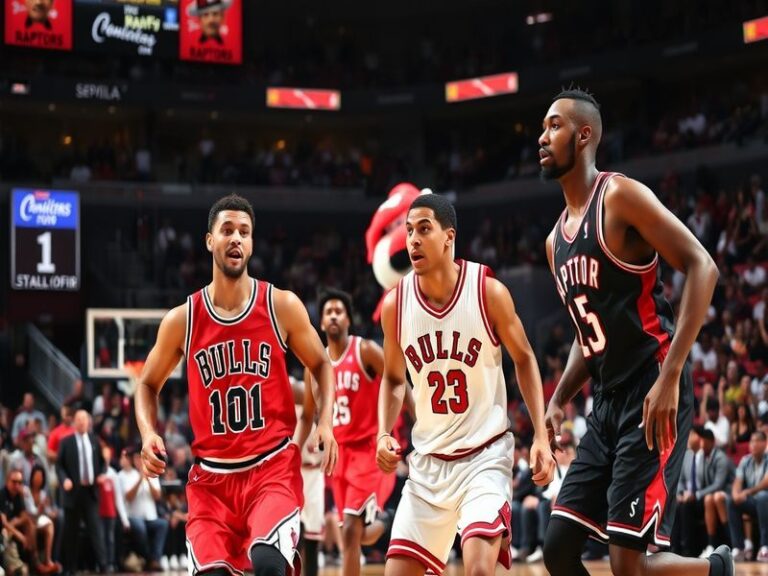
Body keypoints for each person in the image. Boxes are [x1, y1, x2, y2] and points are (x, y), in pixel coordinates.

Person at [538, 87, 730, 576]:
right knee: (557, 548)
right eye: (543, 127)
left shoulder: (619, 197)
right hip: (605, 402)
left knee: (628, 563)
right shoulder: (554, 242)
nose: (542, 136)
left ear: (584, 136)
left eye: (554, 126)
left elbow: (703, 266)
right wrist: (559, 398)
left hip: (652, 388)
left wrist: (671, 376)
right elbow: (588, 333)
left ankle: (716, 569)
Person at [134, 193, 338, 576]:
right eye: (227, 230)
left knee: (268, 564)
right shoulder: (183, 319)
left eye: (244, 232)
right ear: (209, 240)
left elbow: (322, 365)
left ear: (252, 244)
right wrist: (148, 434)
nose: (236, 238)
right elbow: (146, 384)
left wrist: (324, 421)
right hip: (211, 481)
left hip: (271, 469)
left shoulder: (280, 305)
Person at [376, 193, 555, 576]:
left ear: (448, 237)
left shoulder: (488, 292)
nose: (413, 240)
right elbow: (392, 378)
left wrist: (540, 435)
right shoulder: (395, 305)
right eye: (409, 231)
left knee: (477, 569)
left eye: (424, 229)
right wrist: (383, 432)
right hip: (428, 465)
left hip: (484, 456)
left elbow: (525, 358)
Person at [307, 289, 397, 576]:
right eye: (328, 312)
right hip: (339, 457)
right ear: (322, 323)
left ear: (348, 319)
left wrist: (419, 419)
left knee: (349, 532)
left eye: (339, 311)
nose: (334, 316)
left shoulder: (365, 350)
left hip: (367, 450)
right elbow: (312, 412)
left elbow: (397, 381)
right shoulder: (317, 365)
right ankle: (390, 520)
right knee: (356, 534)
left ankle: (386, 519)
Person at [56, 409, 107, 575]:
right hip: (73, 492)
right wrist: (65, 480)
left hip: (90, 492)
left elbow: (102, 463)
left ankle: (104, 565)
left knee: (96, 529)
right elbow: (59, 466)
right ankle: (70, 568)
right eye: (79, 419)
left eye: (84, 419)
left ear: (88, 422)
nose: (82, 422)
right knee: (71, 531)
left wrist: (101, 475)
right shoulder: (66, 442)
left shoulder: (94, 440)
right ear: (74, 422)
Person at [726, 430, 768, 562]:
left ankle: (765, 547)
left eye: (757, 441)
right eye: (752, 441)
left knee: (762, 497)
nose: (753, 444)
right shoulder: (745, 460)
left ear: (765, 443)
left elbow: (766, 482)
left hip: (765, 500)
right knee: (731, 502)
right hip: (754, 502)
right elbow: (737, 481)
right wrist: (735, 495)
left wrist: (747, 492)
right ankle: (739, 548)